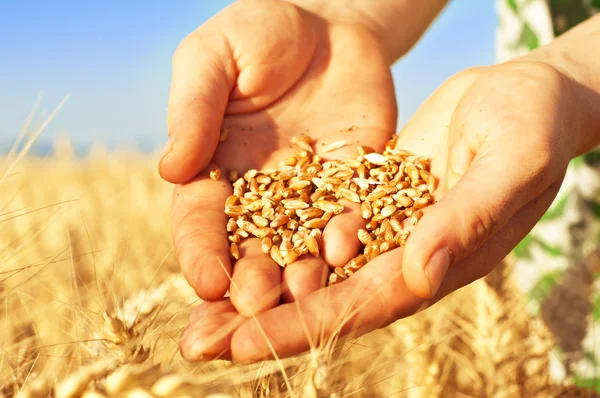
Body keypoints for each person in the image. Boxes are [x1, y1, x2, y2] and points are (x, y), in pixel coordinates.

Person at [158, 0, 600, 373]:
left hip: (561, 115)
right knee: (561, 349)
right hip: (556, 212)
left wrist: (573, 76)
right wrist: (342, 16)